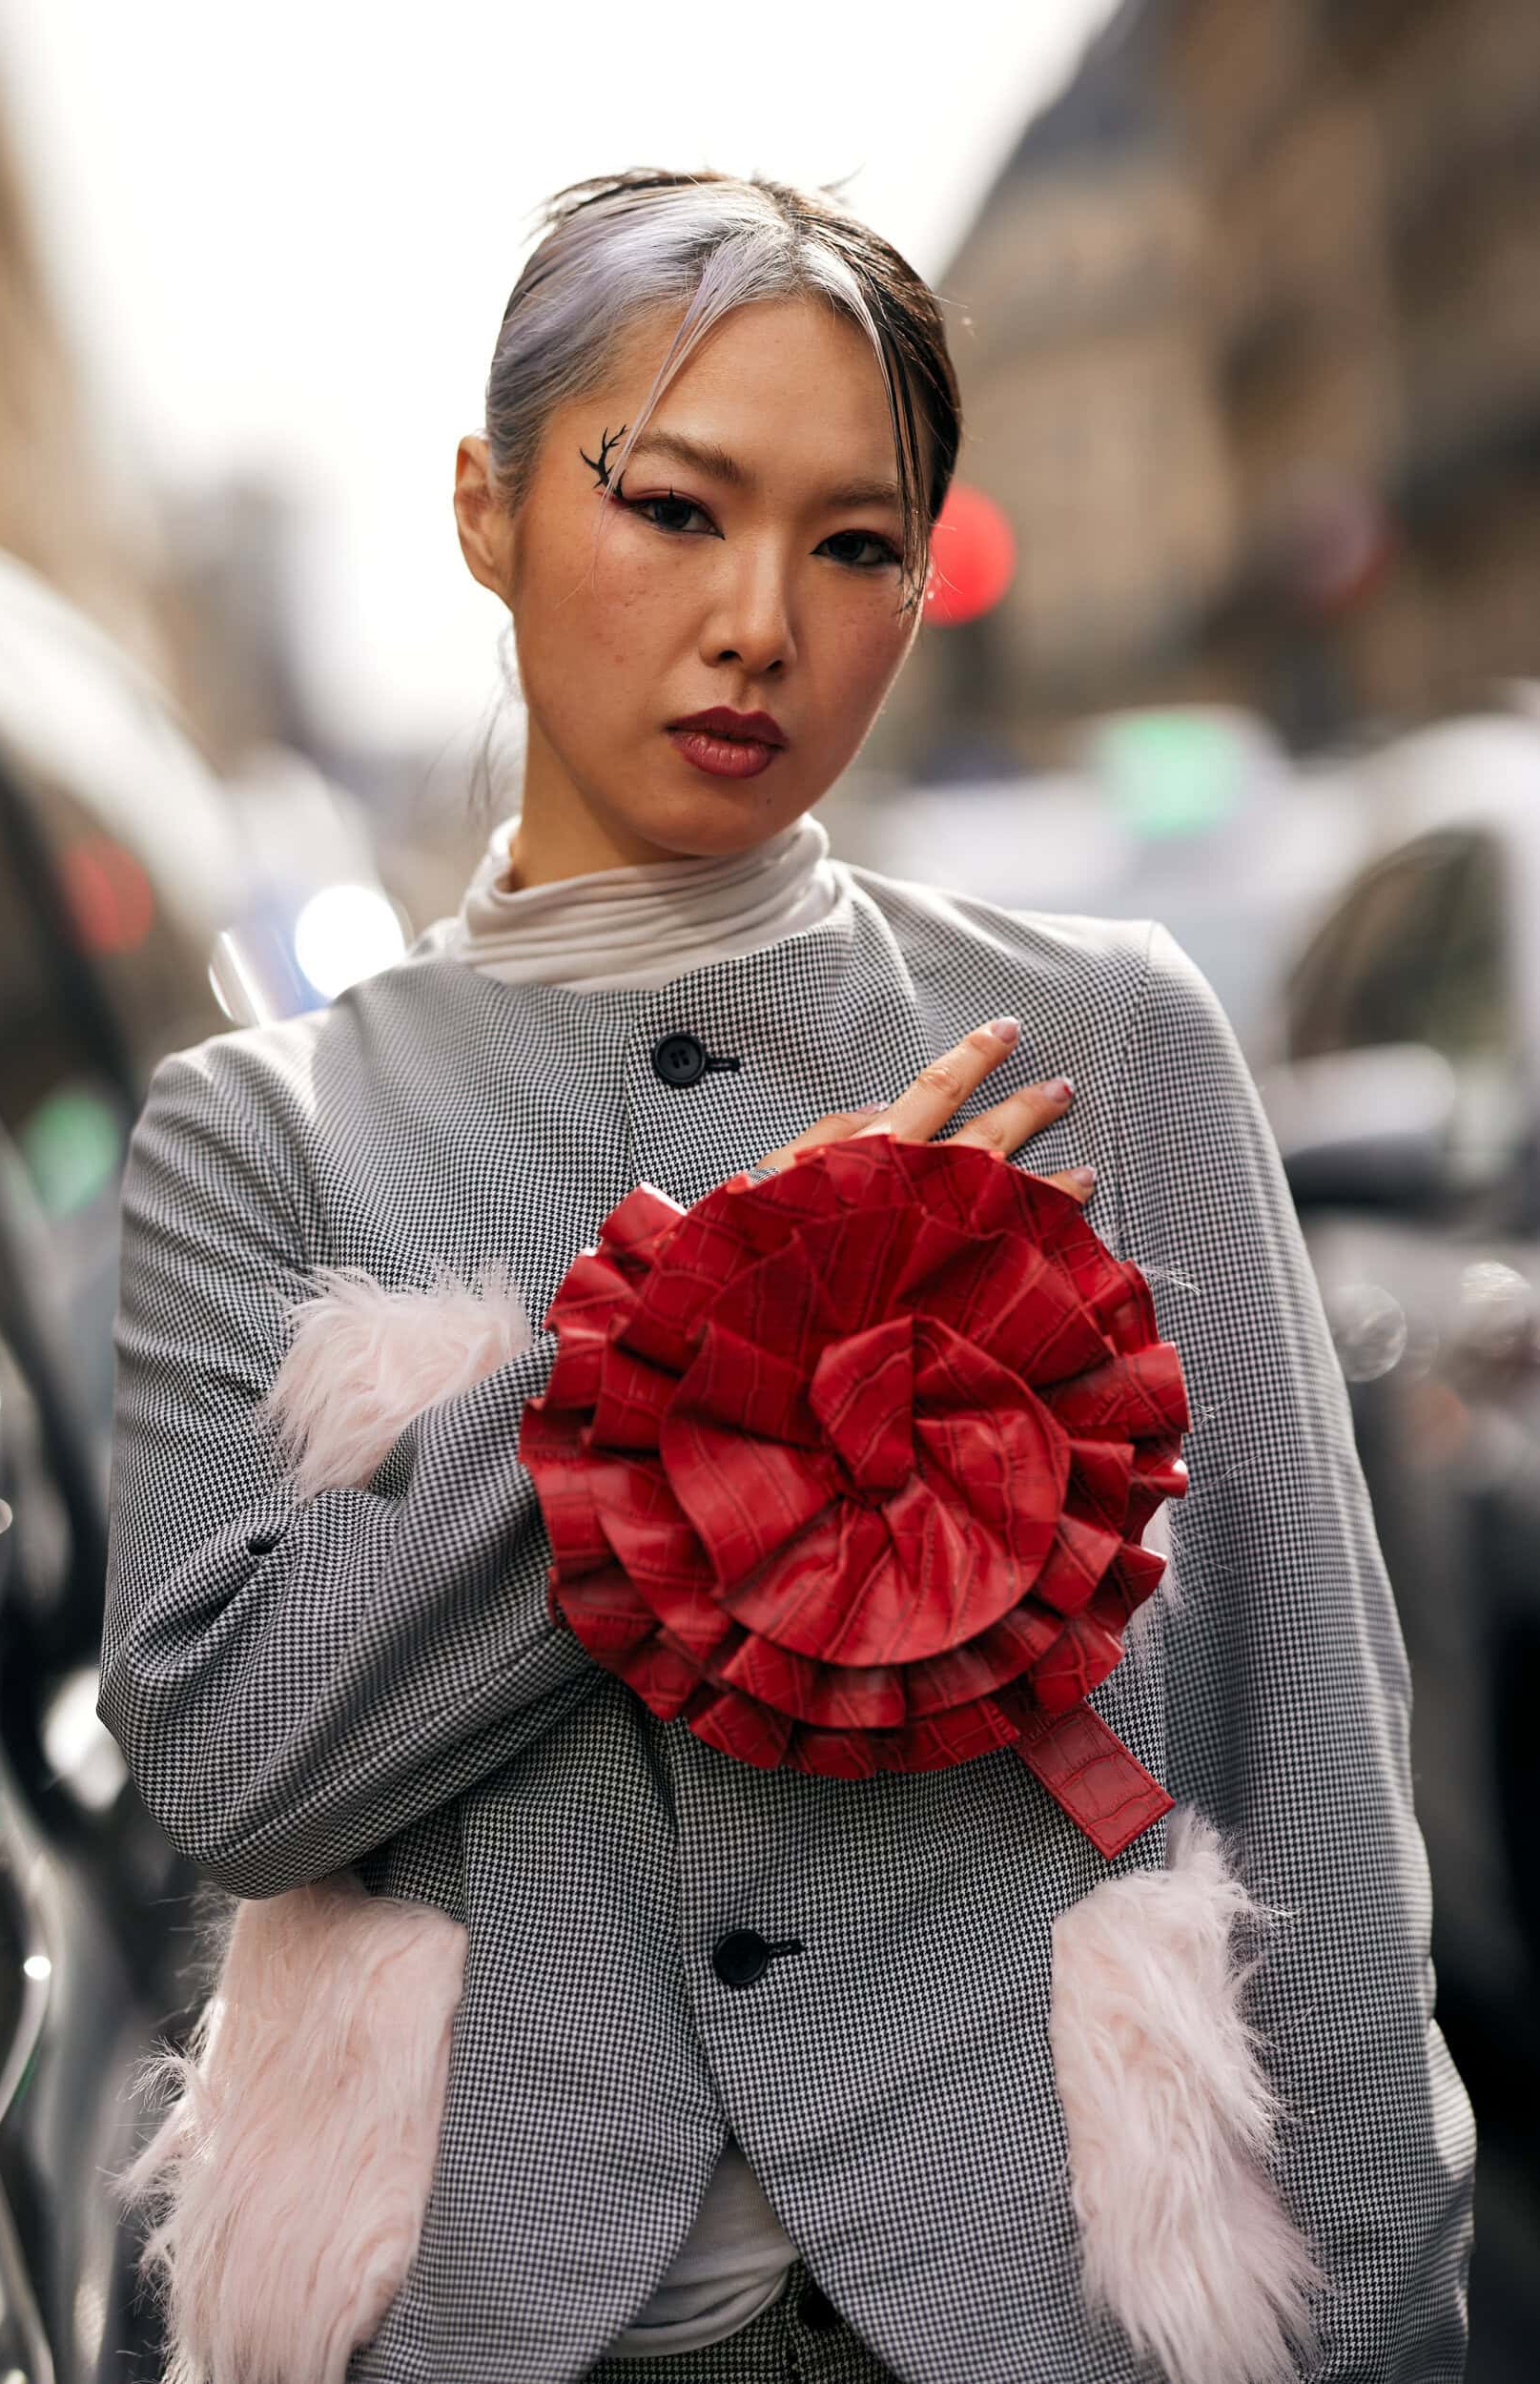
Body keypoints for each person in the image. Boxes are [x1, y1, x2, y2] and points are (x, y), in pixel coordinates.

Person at [100, 168, 1473, 2384]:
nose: (760, 621)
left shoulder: (1102, 1040)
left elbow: (1303, 1745)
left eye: (856, 545)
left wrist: (1390, 2321)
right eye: (673, 508)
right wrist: (698, 1327)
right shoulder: (261, 1132)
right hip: (503, 2328)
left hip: (1051, 2317)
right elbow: (233, 1765)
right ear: (486, 508)